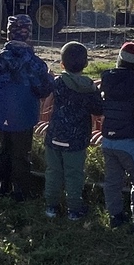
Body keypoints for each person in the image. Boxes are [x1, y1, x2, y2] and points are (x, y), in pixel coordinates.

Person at [0, 14, 55, 199]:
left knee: (4, 148)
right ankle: (21, 190)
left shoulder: (0, 59)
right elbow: (42, 90)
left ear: (8, 34)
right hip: (24, 113)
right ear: (29, 35)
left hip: (3, 113)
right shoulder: (35, 63)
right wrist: (50, 79)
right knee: (21, 153)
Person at [44, 42, 103, 220]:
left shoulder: (58, 83)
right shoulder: (89, 87)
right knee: (74, 174)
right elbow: (98, 109)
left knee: (53, 172)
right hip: (77, 139)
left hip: (55, 134)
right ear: (86, 64)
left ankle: (51, 207)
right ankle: (74, 209)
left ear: (62, 64)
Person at [98, 42, 134, 231]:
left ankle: (115, 216)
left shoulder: (107, 80)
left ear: (119, 60)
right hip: (130, 143)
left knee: (112, 181)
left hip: (107, 141)